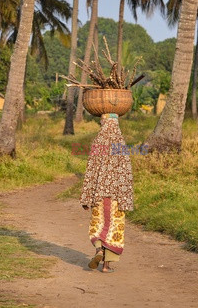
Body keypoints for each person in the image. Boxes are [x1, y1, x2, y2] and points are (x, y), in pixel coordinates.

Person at [80, 113, 134, 273]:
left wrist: (86, 198)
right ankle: (106, 266)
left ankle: (98, 250)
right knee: (114, 229)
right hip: (116, 197)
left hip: (98, 196)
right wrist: (126, 199)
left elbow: (90, 172)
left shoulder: (97, 144)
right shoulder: (121, 146)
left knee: (98, 225)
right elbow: (126, 176)